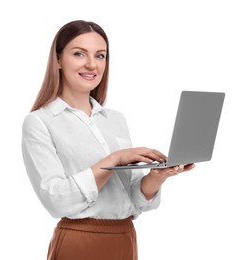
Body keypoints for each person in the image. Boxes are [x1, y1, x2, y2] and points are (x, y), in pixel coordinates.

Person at [21, 20, 195, 260]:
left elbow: (134, 198)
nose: (91, 64)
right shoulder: (40, 122)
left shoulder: (115, 119)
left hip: (125, 238)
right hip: (79, 241)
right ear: (58, 60)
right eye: (79, 53)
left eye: (100, 55)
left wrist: (157, 176)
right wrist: (113, 159)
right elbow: (56, 200)